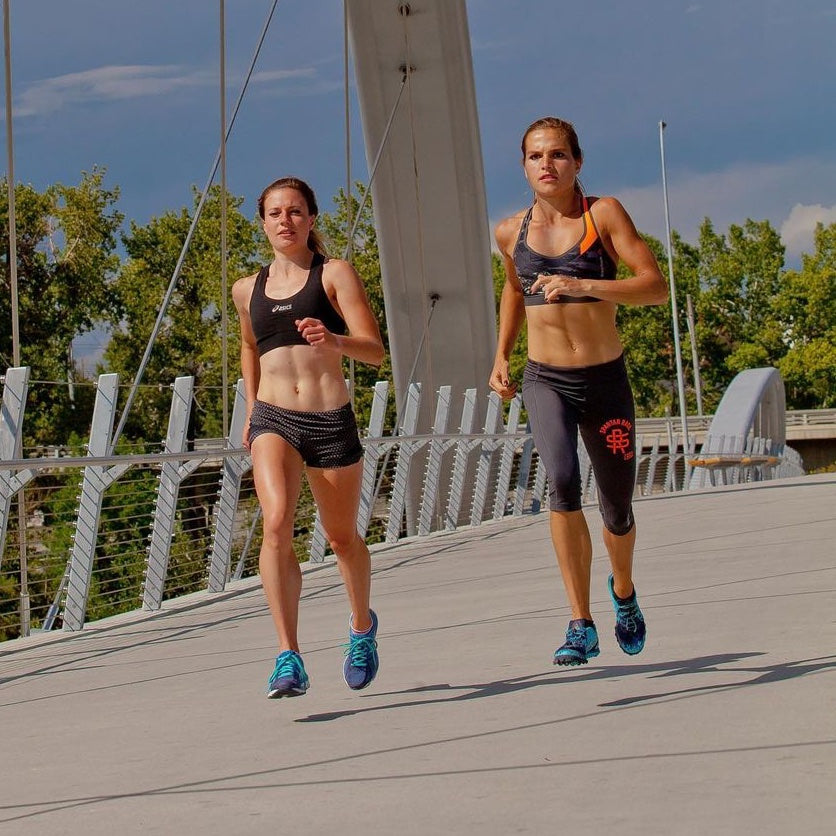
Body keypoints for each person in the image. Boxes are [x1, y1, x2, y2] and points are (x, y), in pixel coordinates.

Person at [489, 117, 668, 666]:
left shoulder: (603, 214)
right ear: (524, 166)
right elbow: (514, 291)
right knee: (562, 484)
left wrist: (583, 284)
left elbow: (654, 287)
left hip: (604, 379)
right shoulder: (509, 231)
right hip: (546, 379)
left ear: (577, 162)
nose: (547, 164)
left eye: (558, 154)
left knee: (617, 508)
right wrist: (501, 354)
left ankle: (623, 592)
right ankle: (580, 622)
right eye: (536, 156)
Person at [232, 176, 385, 698]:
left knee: (341, 538)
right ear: (263, 223)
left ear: (311, 219)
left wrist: (335, 339)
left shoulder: (335, 274)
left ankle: (361, 628)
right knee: (275, 522)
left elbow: (374, 350)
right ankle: (287, 655)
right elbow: (249, 348)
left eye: (295, 211)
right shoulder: (246, 289)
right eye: (275, 213)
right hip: (274, 418)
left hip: (328, 419)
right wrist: (252, 411)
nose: (285, 221)